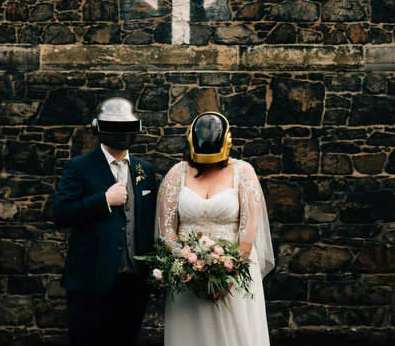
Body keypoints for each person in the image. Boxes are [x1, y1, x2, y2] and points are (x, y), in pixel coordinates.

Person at [156, 111, 274, 346]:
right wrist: (190, 267)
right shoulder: (176, 174)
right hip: (187, 277)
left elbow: (249, 228)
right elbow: (166, 232)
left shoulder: (243, 172)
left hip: (234, 273)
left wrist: (229, 273)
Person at [54, 95, 159, 346]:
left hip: (133, 283)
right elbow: (61, 214)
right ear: (98, 128)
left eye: (126, 127)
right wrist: (104, 200)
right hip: (91, 282)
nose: (121, 134)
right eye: (114, 127)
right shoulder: (79, 167)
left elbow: (149, 221)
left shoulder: (145, 170)